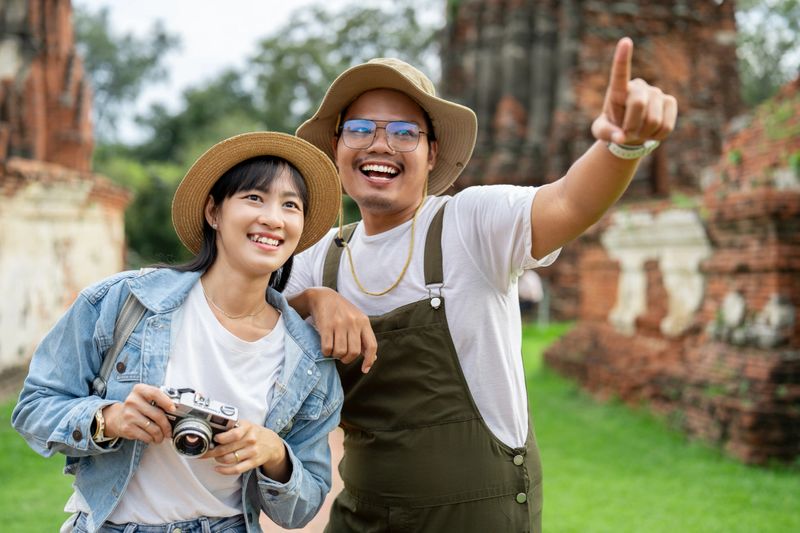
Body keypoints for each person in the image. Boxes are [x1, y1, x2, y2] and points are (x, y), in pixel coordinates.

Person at [284, 37, 676, 532]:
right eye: (360, 129)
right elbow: (240, 312)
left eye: (404, 132)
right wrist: (314, 299)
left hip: (479, 514)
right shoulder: (319, 258)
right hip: (363, 513)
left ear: (432, 153)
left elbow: (569, 202)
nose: (380, 145)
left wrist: (621, 146)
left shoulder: (469, 224)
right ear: (337, 147)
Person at [12, 132, 345, 533]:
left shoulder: (309, 360)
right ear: (213, 212)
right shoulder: (122, 302)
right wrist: (110, 419)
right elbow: (34, 407)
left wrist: (275, 454)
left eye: (290, 205)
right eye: (254, 198)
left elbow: (302, 509)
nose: (273, 218)